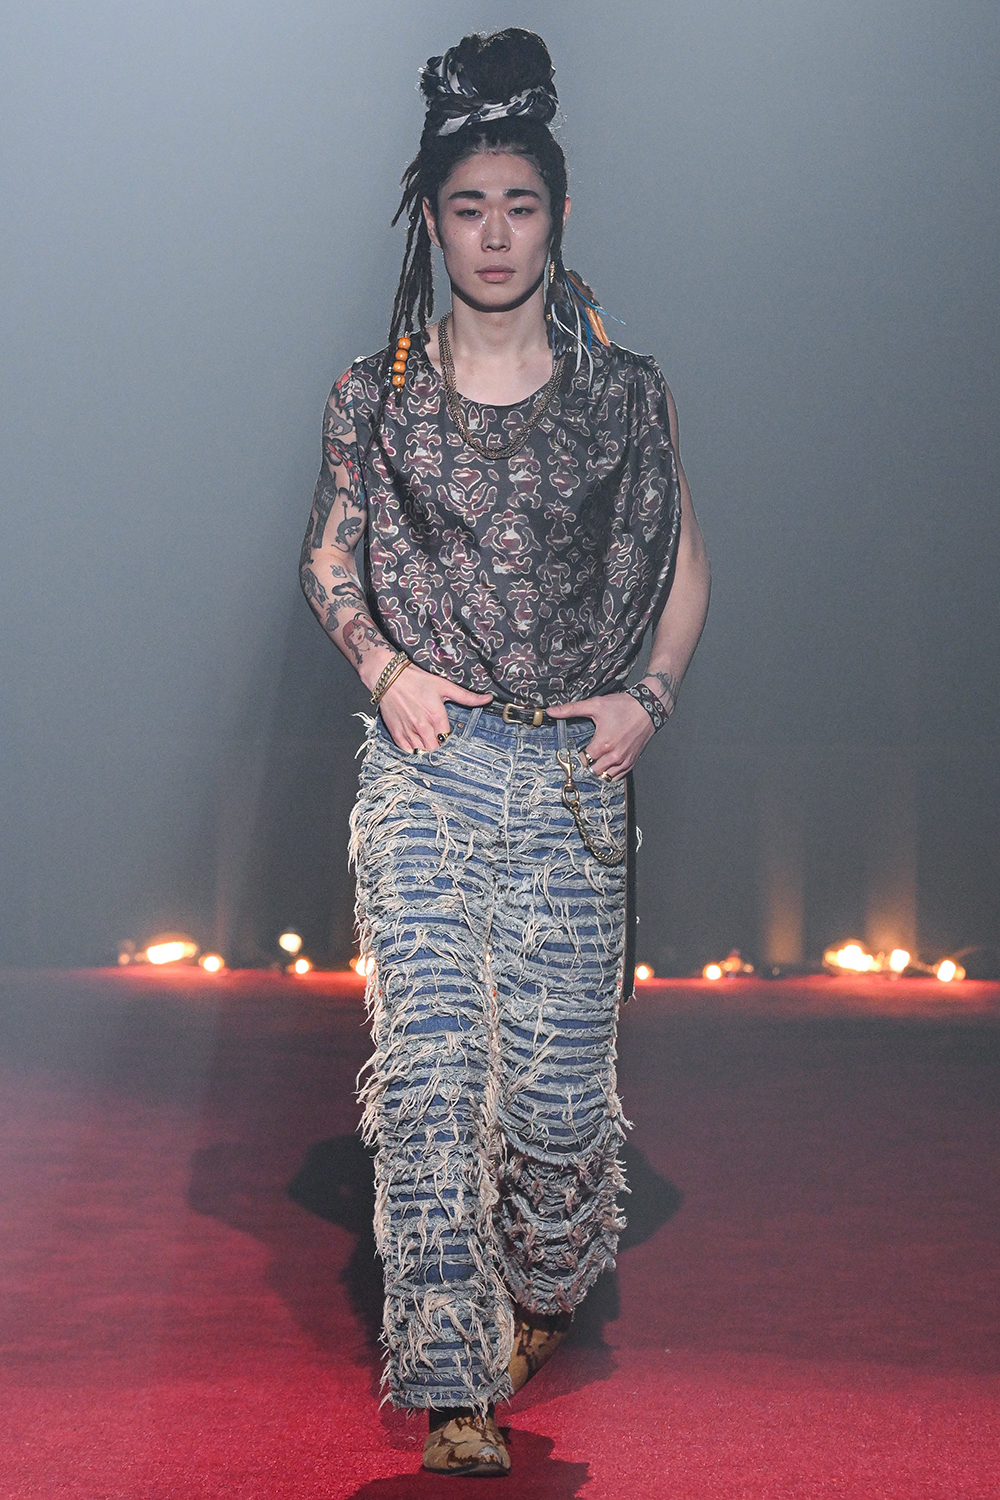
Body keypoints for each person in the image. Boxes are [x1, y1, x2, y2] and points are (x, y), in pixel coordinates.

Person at [300, 28, 710, 1478]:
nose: (492, 233)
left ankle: (538, 1290)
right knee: (428, 1079)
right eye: (466, 205)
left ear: (558, 214)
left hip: (573, 782)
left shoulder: (627, 395)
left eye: (518, 205)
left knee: (553, 1116)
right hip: (425, 769)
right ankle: (452, 1381)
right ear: (430, 218)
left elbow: (684, 566)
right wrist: (386, 669)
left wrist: (649, 698)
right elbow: (329, 561)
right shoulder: (374, 396)